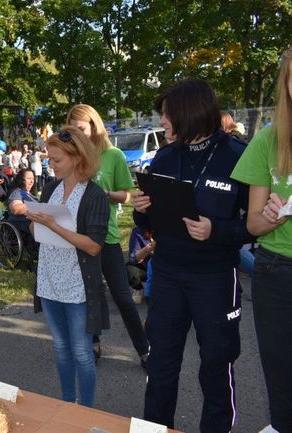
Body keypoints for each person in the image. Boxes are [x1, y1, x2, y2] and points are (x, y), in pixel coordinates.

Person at [132, 78, 251, 433]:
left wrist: (218, 231)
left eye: (167, 116)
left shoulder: (237, 155)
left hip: (214, 279)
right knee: (161, 365)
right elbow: (148, 219)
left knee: (216, 365)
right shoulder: (166, 156)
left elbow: (255, 224)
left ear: (189, 114)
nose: (162, 122)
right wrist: (142, 209)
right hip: (167, 274)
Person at [231, 46, 292, 432]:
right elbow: (252, 224)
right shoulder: (267, 141)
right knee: (280, 372)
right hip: (277, 270)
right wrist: (272, 216)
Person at [26, 126, 110, 407]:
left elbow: (94, 246)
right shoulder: (50, 188)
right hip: (49, 279)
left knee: (82, 352)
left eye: (57, 160)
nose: (51, 165)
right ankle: (65, 404)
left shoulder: (95, 195)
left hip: (77, 284)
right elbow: (40, 233)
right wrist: (34, 222)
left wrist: (53, 226)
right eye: (49, 159)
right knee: (61, 348)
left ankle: (85, 410)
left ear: (77, 158)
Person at [66, 104, 149, 367]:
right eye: (73, 130)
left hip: (108, 237)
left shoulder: (113, 155)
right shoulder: (72, 156)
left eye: (81, 129)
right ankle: (94, 343)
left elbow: (128, 194)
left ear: (93, 126)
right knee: (90, 294)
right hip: (78, 236)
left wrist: (105, 196)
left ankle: (145, 350)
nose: (78, 135)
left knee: (122, 297)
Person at [6, 168, 40, 259]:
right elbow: (15, 209)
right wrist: (38, 206)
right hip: (20, 221)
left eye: (33, 178)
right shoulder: (18, 192)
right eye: (28, 178)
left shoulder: (31, 195)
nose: (32, 180)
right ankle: (40, 252)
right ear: (22, 180)